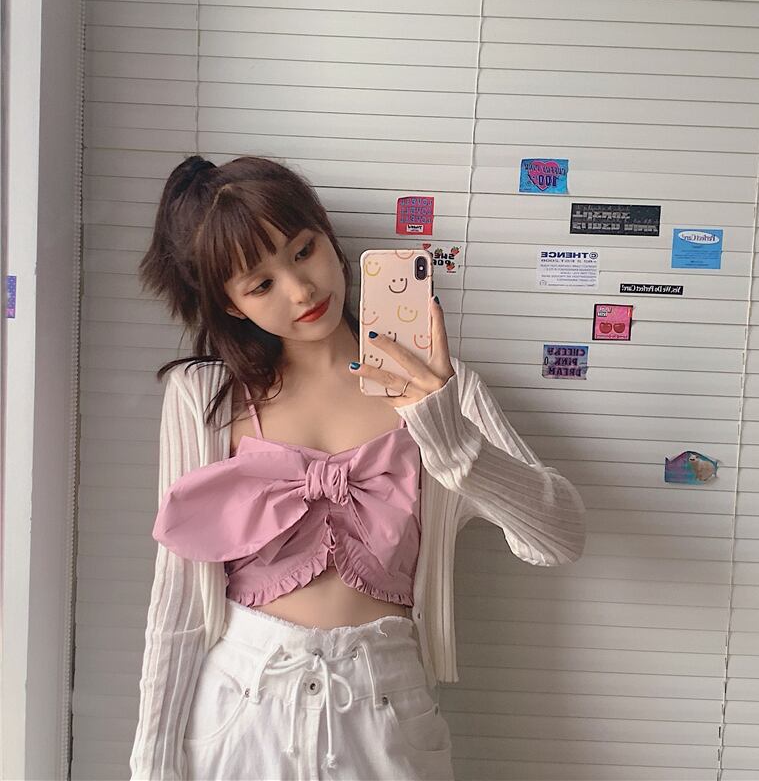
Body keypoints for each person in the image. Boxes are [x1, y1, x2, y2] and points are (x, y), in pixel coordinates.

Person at [129, 155, 587, 781]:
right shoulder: (205, 397)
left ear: (329, 236)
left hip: (386, 714)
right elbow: (177, 607)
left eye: (303, 251)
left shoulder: (444, 388)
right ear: (231, 306)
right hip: (241, 713)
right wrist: (151, 768)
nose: (301, 290)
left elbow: (560, 538)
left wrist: (453, 443)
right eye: (260, 285)